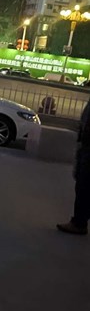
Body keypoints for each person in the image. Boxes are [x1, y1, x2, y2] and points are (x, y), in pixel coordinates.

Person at [57, 99, 90, 235]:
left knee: (84, 185)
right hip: (86, 143)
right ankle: (79, 221)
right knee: (82, 183)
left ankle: (79, 223)